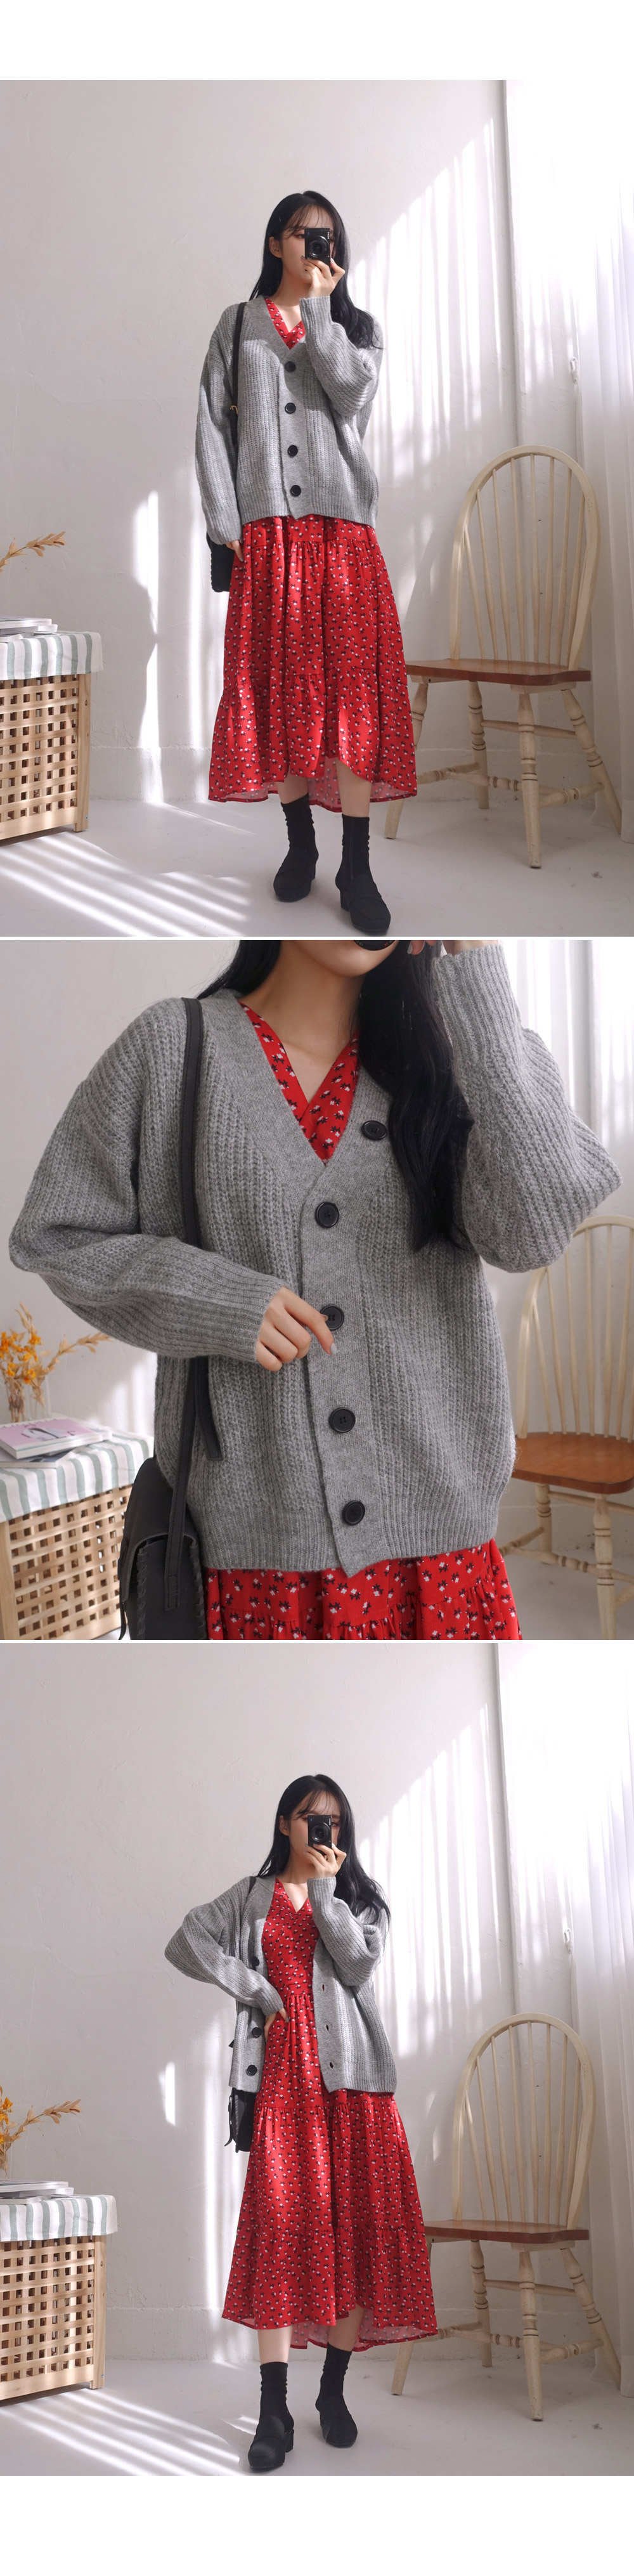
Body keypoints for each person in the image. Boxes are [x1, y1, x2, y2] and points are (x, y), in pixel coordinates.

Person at [10, 937, 620, 1640]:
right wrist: (217, 1300)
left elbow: (531, 1234)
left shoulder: (457, 1057)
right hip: (254, 1566)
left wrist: (473, 964)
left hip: (439, 1564)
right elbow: (57, 1235)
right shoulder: (172, 1047)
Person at [165, 1772, 437, 2471]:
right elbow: (185, 1941)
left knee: (357, 2233)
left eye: (334, 1822)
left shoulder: (359, 1900)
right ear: (286, 1822)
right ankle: (272, 2409)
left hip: (356, 2093)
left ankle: (333, 2392)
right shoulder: (251, 1897)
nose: (324, 1831)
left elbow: (358, 1966)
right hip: (284, 2086)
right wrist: (256, 1988)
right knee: (281, 2233)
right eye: (313, 1819)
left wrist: (323, 1892)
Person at [197, 190, 417, 932]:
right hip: (267, 536)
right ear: (274, 243)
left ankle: (356, 864)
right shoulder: (236, 326)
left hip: (342, 535)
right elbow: (210, 424)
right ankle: (300, 845)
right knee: (281, 692)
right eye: (300, 234)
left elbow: (350, 397)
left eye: (325, 237)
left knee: (351, 697)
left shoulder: (359, 329)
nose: (313, 246)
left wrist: (321, 313)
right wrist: (224, 518)